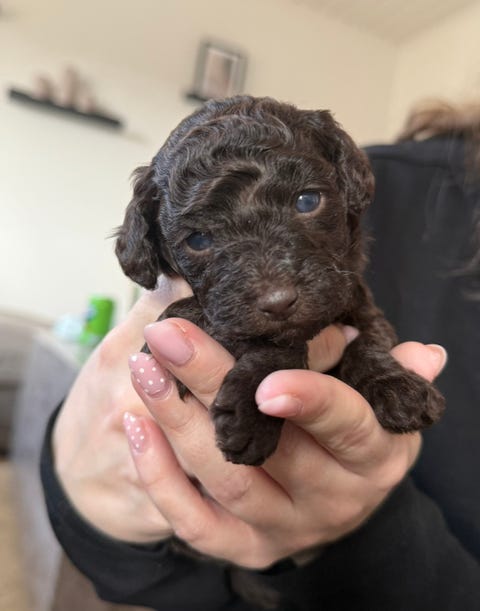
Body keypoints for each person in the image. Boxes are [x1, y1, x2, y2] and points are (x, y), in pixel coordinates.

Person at [40, 100, 480, 610]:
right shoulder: (414, 175)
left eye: (306, 202)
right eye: (200, 238)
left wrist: (375, 370)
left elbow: (363, 326)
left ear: (347, 187)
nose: (275, 289)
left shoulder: (357, 181)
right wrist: (79, 502)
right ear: (157, 246)